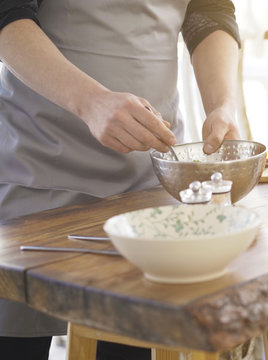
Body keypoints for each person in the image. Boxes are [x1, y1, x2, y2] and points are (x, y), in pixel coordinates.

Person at [0, 0, 241, 358]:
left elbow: (209, 12)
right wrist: (91, 102)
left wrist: (222, 104)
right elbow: (8, 14)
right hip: (38, 174)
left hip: (147, 188)